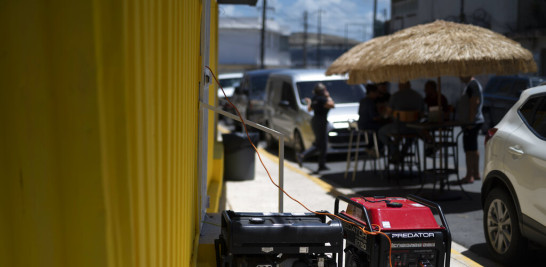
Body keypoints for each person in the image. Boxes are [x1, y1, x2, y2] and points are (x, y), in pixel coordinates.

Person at [377, 81, 425, 162]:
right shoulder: (418, 96)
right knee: (411, 136)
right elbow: (422, 114)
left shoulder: (395, 96)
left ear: (400, 85)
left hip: (398, 128)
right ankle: (403, 153)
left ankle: (395, 151)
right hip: (414, 128)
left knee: (381, 132)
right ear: (409, 85)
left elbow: (386, 115)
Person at [297, 83, 335, 173]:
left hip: (316, 121)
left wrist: (309, 102)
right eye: (325, 89)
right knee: (320, 144)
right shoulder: (322, 98)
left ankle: (321, 165)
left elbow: (309, 109)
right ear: (322, 91)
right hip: (320, 122)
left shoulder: (315, 98)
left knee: (323, 144)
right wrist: (328, 96)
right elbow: (331, 105)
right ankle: (302, 155)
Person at [455, 76, 484, 184]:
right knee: (473, 147)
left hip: (472, 123)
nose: (459, 75)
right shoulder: (471, 85)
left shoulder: (473, 85)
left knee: (469, 149)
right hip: (474, 121)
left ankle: (469, 175)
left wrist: (470, 122)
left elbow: (474, 102)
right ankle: (475, 173)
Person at [358, 84, 388, 153]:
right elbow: (374, 117)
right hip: (367, 124)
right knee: (381, 129)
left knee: (378, 129)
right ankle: (377, 148)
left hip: (361, 124)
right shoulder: (370, 102)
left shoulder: (363, 101)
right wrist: (383, 117)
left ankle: (371, 147)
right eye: (376, 93)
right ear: (371, 92)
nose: (377, 94)